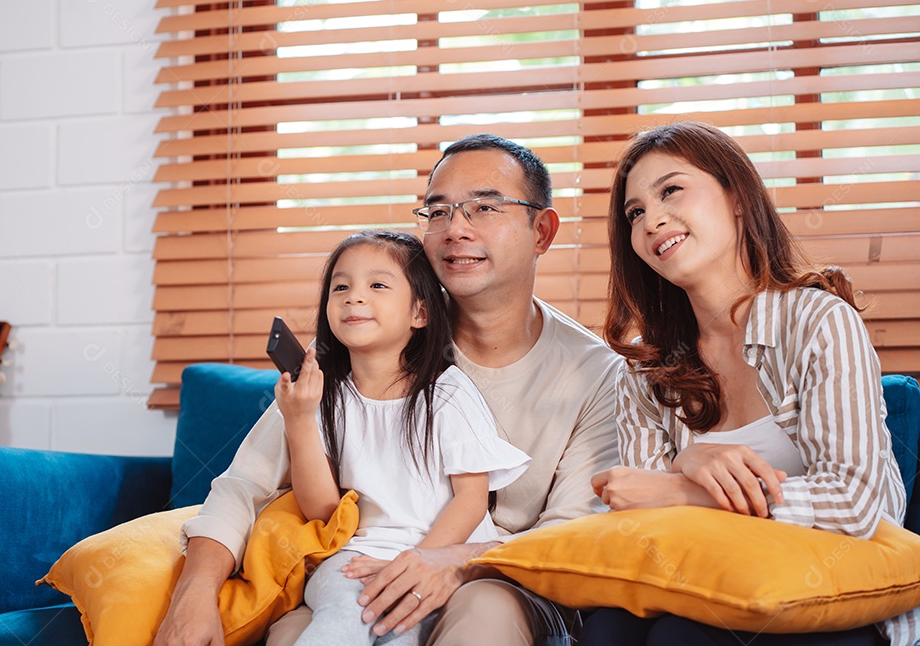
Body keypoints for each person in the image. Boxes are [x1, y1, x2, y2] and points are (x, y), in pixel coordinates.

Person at [154, 134, 623, 646]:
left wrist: (450, 561)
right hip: (360, 570)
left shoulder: (597, 375)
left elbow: (571, 537)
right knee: (294, 631)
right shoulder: (366, 337)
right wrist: (192, 597)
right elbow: (247, 482)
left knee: (482, 612)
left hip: (502, 580)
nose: (455, 229)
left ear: (542, 230)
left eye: (485, 207)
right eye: (438, 211)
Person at [584, 121, 920, 646]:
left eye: (671, 190)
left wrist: (687, 485)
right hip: (708, 580)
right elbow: (640, 515)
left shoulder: (818, 321)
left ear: (738, 198)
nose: (652, 219)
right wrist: (684, 465)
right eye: (635, 213)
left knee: (681, 640)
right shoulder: (645, 368)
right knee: (608, 628)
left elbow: (858, 502)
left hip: (836, 588)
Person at [277, 230, 530, 645]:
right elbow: (324, 510)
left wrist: (418, 561)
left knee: (401, 629)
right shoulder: (325, 396)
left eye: (377, 285)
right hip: (353, 559)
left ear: (420, 313)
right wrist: (299, 421)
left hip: (434, 557)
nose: (354, 297)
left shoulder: (446, 394)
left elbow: (471, 499)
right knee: (344, 614)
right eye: (341, 286)